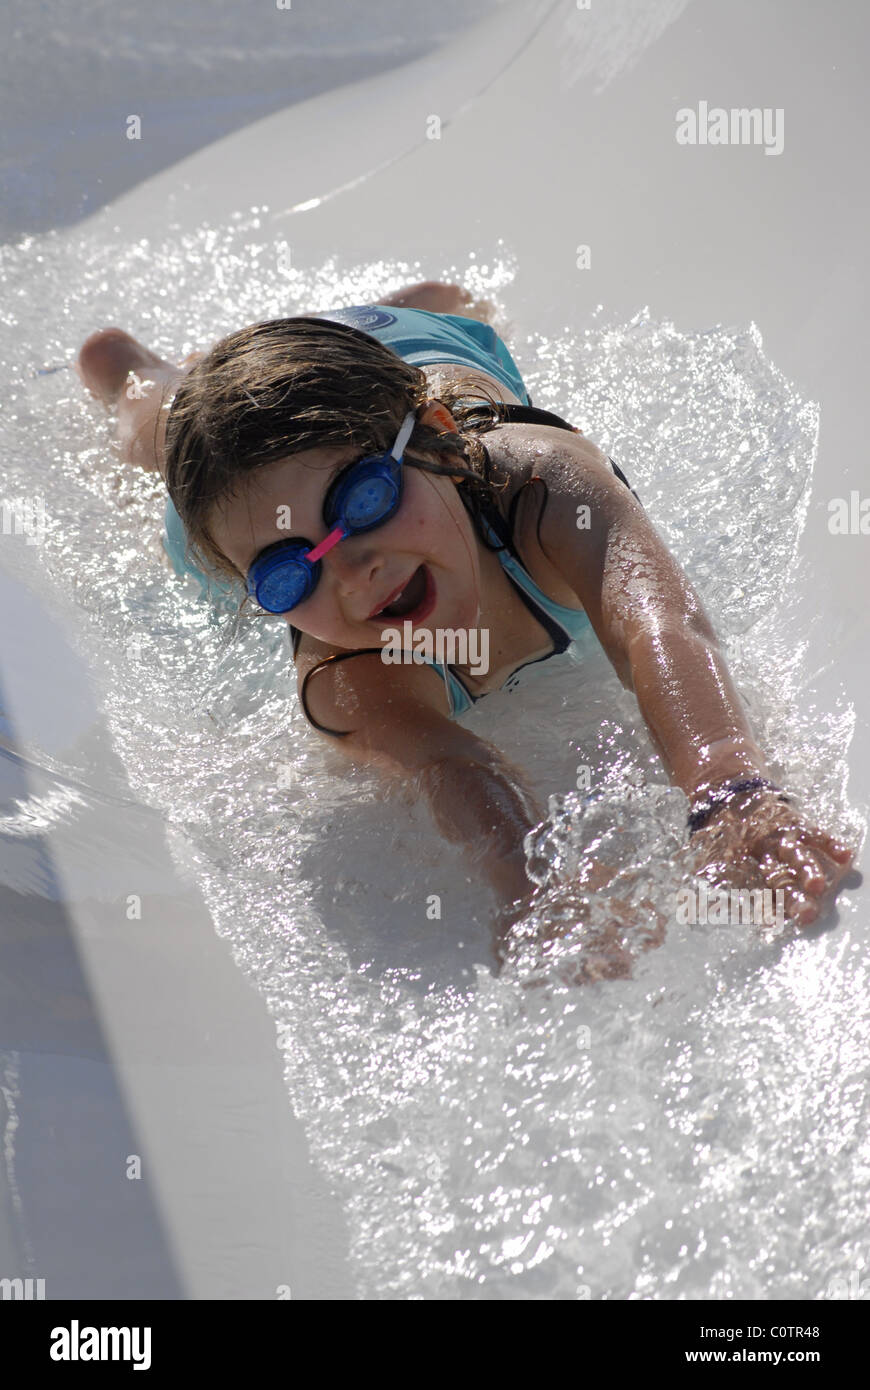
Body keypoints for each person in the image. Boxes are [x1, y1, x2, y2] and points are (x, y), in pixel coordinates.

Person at [75, 279, 854, 973]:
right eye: (289, 571)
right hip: (300, 440)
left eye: (365, 501)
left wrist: (730, 787)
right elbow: (451, 763)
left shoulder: (546, 492)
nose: (352, 572)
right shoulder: (344, 669)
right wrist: (532, 883)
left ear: (441, 436)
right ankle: (134, 380)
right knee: (166, 428)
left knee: (443, 308)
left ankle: (429, 308)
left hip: (426, 357)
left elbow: (658, 627)